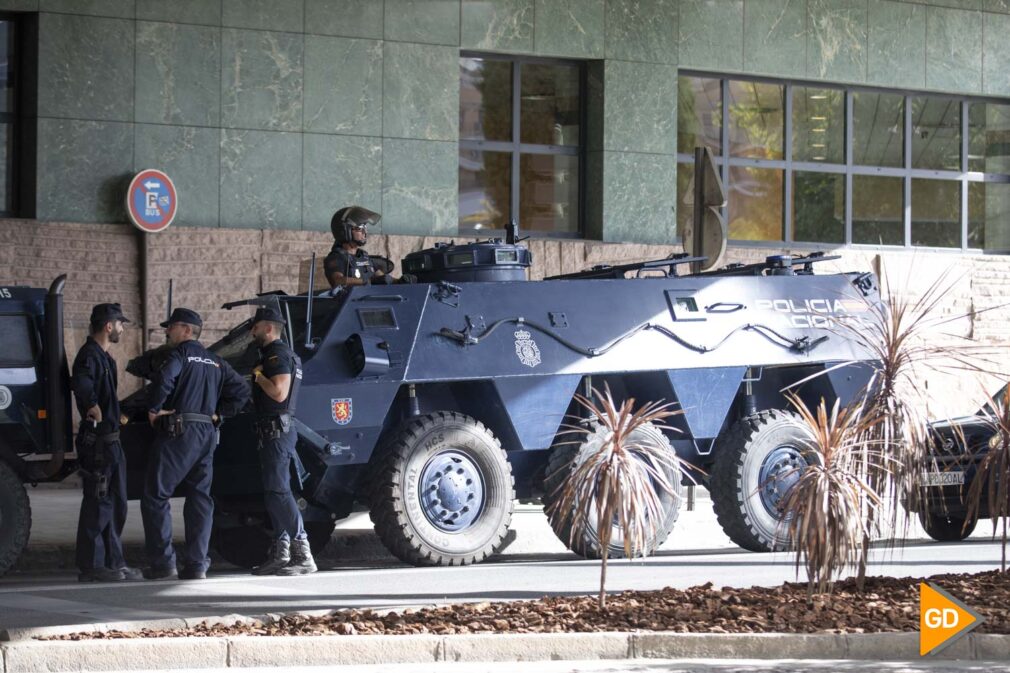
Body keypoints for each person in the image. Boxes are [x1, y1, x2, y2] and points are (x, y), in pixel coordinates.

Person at [141, 308, 250, 580]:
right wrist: (220, 414)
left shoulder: (179, 355)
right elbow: (242, 391)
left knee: (156, 495)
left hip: (180, 432)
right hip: (207, 434)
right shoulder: (216, 361)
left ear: (187, 330)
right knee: (200, 499)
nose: (167, 331)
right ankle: (197, 564)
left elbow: (164, 380)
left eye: (172, 327)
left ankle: (163, 563)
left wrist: (154, 409)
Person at [71, 303, 142, 583]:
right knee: (98, 502)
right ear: (108, 326)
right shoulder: (89, 356)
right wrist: (91, 405)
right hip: (99, 442)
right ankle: (92, 566)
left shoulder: (105, 358)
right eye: (120, 324)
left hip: (112, 441)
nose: (122, 329)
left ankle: (114, 563)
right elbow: (82, 383)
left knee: (116, 504)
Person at [248, 307, 316, 576]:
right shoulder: (277, 354)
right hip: (274, 433)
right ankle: (282, 551)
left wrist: (258, 375)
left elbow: (278, 392)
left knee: (279, 492)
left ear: (268, 328)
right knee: (273, 493)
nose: (252, 331)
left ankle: (302, 552)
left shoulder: (277, 354)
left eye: (256, 326)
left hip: (277, 432)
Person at [323, 205, 390, 288]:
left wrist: (401, 280)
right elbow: (338, 280)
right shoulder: (336, 258)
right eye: (359, 228)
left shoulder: (364, 256)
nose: (364, 232)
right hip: (350, 300)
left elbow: (382, 278)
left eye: (365, 227)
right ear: (345, 231)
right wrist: (368, 281)